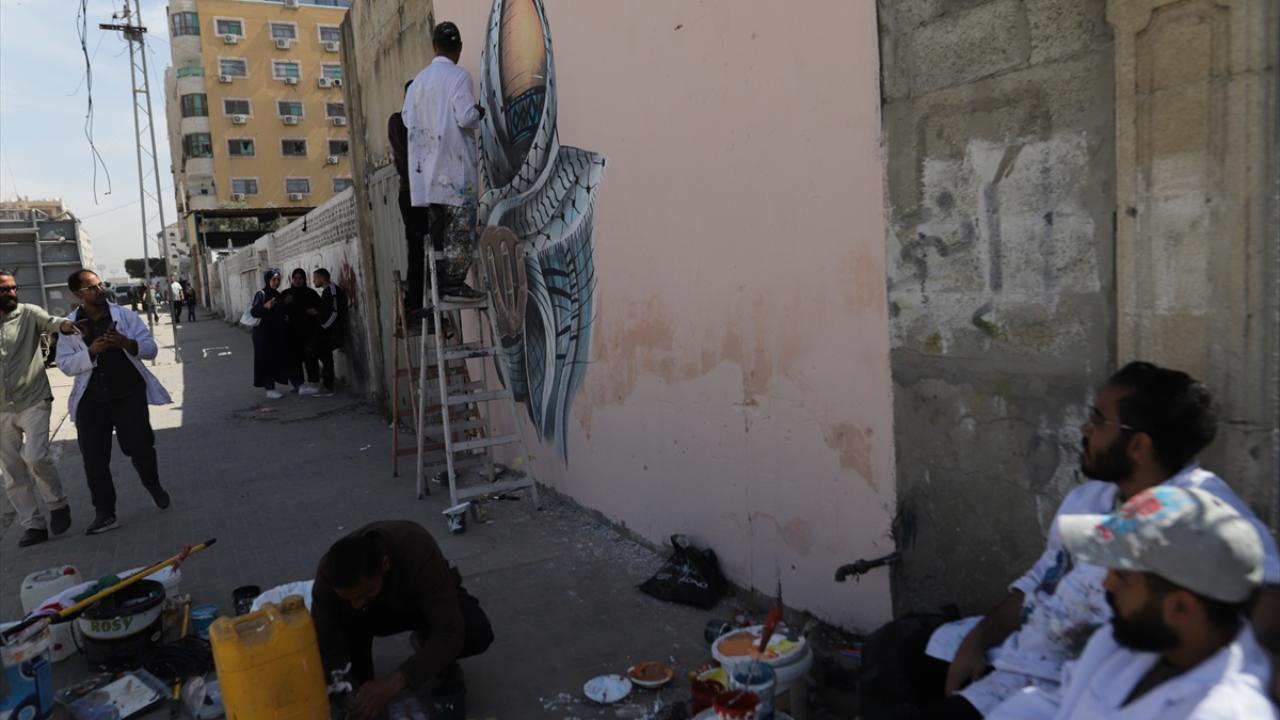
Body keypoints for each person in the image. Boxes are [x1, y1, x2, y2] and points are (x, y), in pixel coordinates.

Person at [926, 362, 1280, 719]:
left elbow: (1264, 597)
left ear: (1139, 444)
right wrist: (978, 639)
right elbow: (1043, 582)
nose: (1085, 428)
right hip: (1032, 667)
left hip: (1047, 677)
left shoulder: (1202, 516)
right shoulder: (1110, 648)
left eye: (1098, 419)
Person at [988, 486, 1276, 719]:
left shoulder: (1222, 711)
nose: (1107, 583)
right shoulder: (1119, 645)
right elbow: (1055, 705)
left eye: (1122, 575)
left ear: (1180, 607)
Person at [312, 521, 494, 720]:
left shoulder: (417, 549)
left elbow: (450, 631)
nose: (355, 604)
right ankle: (359, 687)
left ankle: (428, 645)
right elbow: (325, 643)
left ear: (385, 564)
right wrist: (345, 691)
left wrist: (396, 681)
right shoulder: (328, 573)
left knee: (474, 630)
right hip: (369, 618)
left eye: (364, 594)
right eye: (349, 598)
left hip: (419, 607)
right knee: (347, 664)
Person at [56, 269, 173, 535]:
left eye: (101, 285)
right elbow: (64, 364)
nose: (100, 290)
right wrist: (91, 352)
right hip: (91, 400)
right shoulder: (69, 326)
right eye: (92, 288)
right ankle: (105, 513)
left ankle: (153, 485)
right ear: (76, 294)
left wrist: (126, 342)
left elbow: (151, 348)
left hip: (128, 393)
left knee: (141, 447)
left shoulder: (125, 316)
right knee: (94, 459)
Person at [402, 21, 486, 306]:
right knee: (461, 230)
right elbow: (466, 117)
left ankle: (438, 284)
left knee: (438, 234)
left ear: (434, 46)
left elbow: (406, 120)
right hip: (454, 171)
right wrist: (479, 112)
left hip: (427, 176)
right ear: (459, 48)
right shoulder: (459, 76)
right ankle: (453, 284)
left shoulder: (417, 83)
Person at [0, 269, 77, 546]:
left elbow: (52, 322)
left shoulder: (28, 313)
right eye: (4, 289)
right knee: (12, 471)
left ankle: (57, 504)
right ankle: (33, 525)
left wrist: (67, 325)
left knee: (35, 457)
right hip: (1, 409)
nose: (11, 293)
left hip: (33, 399)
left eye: (13, 288)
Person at [389, 81, 433, 318]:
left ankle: (430, 297)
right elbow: (407, 158)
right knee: (417, 248)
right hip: (412, 194)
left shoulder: (428, 120)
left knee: (434, 247)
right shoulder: (399, 121)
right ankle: (414, 302)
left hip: (432, 194)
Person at [249, 269, 289, 400]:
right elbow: (254, 312)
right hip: (263, 335)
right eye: (274, 279)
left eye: (278, 280)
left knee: (275, 360)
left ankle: (292, 385)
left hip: (276, 334)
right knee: (265, 361)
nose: (277, 282)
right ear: (268, 280)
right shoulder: (261, 294)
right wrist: (266, 307)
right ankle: (270, 389)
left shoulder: (277, 294)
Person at [281, 268, 321, 395]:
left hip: (308, 332)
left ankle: (314, 382)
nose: (297, 281)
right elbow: (278, 311)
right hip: (291, 333)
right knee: (295, 359)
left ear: (304, 279)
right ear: (292, 279)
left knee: (310, 357)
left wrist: (315, 312)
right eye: (295, 278)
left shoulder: (311, 293)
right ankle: (299, 384)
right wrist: (284, 303)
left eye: (300, 278)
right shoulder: (286, 294)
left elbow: (321, 309)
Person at [309, 268, 346, 398]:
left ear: (322, 278)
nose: (313, 281)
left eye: (315, 278)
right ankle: (326, 384)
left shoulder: (333, 291)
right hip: (327, 331)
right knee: (321, 355)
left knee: (325, 356)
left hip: (332, 332)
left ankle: (328, 387)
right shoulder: (326, 291)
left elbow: (335, 312)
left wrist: (325, 326)